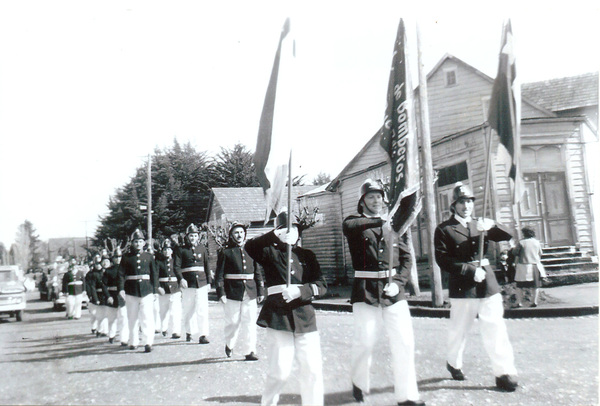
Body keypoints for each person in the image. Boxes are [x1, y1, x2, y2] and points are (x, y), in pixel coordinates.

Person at [342, 179, 424, 406]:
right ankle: (359, 383)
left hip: (393, 291)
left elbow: (406, 258)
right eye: (370, 197)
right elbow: (349, 227)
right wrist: (382, 220)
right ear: (362, 202)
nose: (376, 200)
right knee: (365, 341)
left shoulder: (393, 226)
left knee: (404, 342)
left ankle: (407, 395)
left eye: (379, 196)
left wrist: (399, 282)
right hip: (366, 291)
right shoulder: (354, 222)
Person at [434, 183, 519, 392]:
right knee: (459, 330)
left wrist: (492, 226)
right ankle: (453, 362)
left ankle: (504, 372)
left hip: (488, 284)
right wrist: (469, 271)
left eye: (469, 201)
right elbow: (442, 260)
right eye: (461, 202)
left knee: (495, 328)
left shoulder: (480, 225)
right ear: (453, 205)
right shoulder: (444, 229)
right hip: (464, 287)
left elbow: (509, 235)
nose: (466, 206)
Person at [245, 211, 327, 406]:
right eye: (285, 229)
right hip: (279, 317)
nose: (292, 232)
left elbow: (322, 285)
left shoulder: (307, 255)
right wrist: (274, 235)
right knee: (279, 372)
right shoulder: (269, 252)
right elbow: (250, 246)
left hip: (305, 317)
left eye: (295, 228)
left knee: (312, 370)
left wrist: (301, 291)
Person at [215, 222, 265, 361]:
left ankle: (250, 351)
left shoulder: (251, 251)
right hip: (232, 292)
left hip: (250, 291)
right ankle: (230, 344)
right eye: (236, 233)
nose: (239, 235)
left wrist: (261, 291)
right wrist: (221, 293)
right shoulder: (225, 252)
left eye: (241, 232)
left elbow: (257, 273)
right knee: (233, 322)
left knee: (249, 322)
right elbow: (219, 275)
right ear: (231, 235)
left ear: (245, 234)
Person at [118, 229, 158, 353]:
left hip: (147, 290)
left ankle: (148, 342)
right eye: (136, 241)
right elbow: (120, 274)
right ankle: (133, 341)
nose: (138, 244)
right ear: (132, 243)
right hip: (131, 291)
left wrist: (155, 289)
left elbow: (154, 274)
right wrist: (121, 289)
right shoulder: (126, 257)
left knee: (147, 317)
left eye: (140, 241)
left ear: (144, 243)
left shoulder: (149, 256)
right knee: (132, 317)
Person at [174, 223, 212, 344]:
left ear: (198, 236)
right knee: (188, 309)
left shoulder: (202, 249)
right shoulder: (181, 250)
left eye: (195, 235)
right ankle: (189, 332)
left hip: (201, 282)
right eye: (191, 235)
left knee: (202, 309)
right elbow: (176, 267)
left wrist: (209, 282)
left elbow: (207, 266)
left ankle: (203, 334)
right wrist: (181, 279)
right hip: (188, 283)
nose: (193, 238)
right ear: (187, 236)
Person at [513, 226, 546, 307]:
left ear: (524, 233)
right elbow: (540, 254)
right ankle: (534, 301)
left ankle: (519, 302)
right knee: (535, 285)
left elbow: (515, 253)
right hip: (535, 265)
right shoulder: (537, 242)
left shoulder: (521, 242)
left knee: (519, 285)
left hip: (523, 266)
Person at [156, 238, 183, 339]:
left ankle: (176, 331)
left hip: (175, 289)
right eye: (165, 250)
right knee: (163, 311)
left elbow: (180, 273)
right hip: (164, 290)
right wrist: (158, 287)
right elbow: (156, 276)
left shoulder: (176, 261)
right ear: (162, 251)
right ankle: (164, 328)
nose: (167, 251)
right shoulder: (158, 262)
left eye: (168, 249)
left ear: (172, 251)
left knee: (176, 311)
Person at [102, 251, 120, 344]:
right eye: (116, 257)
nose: (118, 259)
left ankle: (125, 337)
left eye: (120, 257)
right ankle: (112, 335)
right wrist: (108, 296)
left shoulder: (127, 269)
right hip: (112, 295)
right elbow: (104, 285)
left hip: (124, 296)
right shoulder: (108, 271)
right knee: (112, 318)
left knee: (125, 318)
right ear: (113, 259)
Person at [86, 253, 105, 335]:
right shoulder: (90, 274)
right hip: (94, 295)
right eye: (96, 264)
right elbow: (89, 286)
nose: (98, 266)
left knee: (103, 313)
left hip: (103, 294)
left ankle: (103, 330)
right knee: (94, 313)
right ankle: (94, 327)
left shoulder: (104, 272)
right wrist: (91, 296)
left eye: (100, 263)